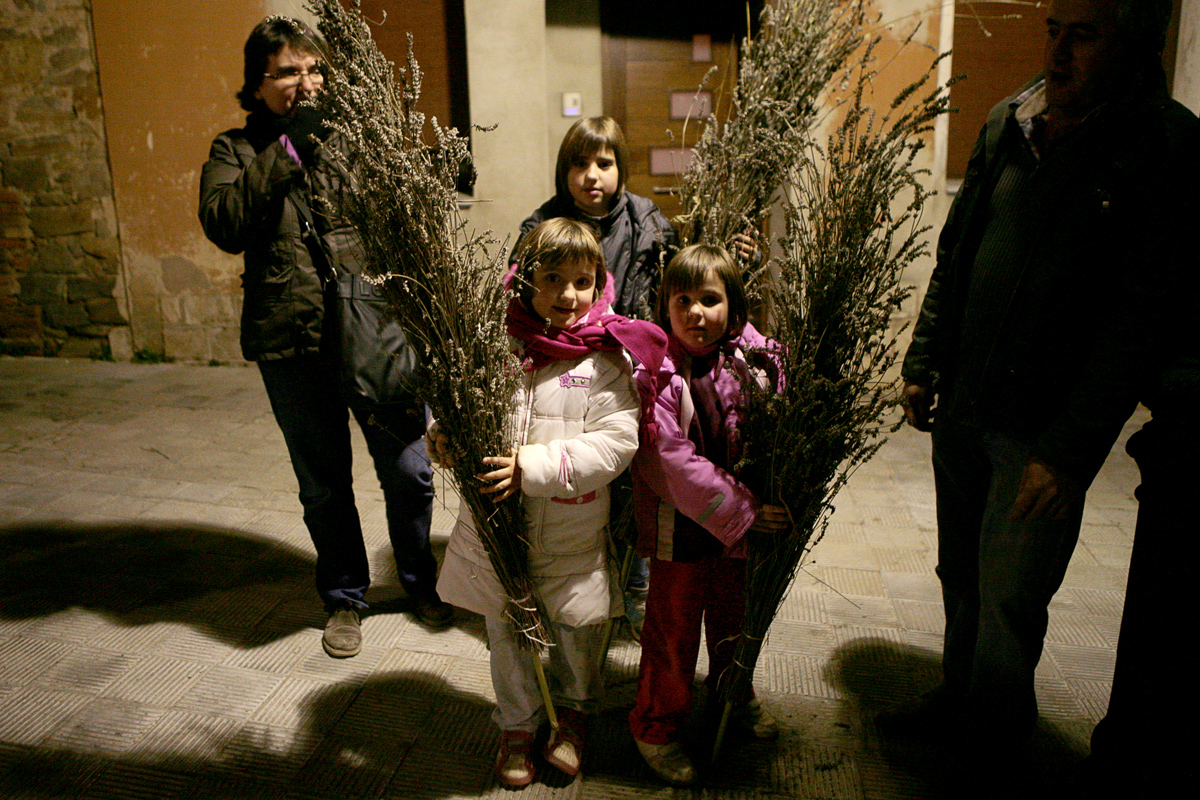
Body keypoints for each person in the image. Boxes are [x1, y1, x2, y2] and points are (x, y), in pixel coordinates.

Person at [887, 0, 1195, 764]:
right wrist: (925, 358)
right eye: (1053, 30)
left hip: (1039, 429)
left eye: (1083, 35)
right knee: (960, 571)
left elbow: (1139, 320)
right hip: (966, 402)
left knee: (1009, 593)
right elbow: (957, 254)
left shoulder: (1161, 147)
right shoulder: (1010, 120)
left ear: (1134, 43)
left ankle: (992, 738)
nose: (1057, 53)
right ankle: (958, 697)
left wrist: (1067, 452)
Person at [198, 17, 453, 659]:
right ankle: (344, 597)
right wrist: (288, 150)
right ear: (258, 84)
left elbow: (404, 223)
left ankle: (421, 580)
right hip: (293, 342)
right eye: (288, 71)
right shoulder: (235, 150)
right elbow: (225, 222)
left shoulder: (356, 141)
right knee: (323, 484)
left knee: (410, 472)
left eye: (314, 69)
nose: (306, 81)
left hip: (373, 332)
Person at [429, 218, 664, 787]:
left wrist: (530, 468)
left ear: (599, 283)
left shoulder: (606, 359)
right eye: (552, 278)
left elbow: (614, 444)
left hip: (570, 535)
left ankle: (574, 716)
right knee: (507, 636)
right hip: (498, 529)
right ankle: (517, 724)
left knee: (577, 633)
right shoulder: (496, 346)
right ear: (524, 281)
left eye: (582, 281)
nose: (567, 294)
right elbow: (458, 403)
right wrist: (443, 436)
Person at [628, 244, 788, 786]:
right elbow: (666, 459)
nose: (696, 312)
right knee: (672, 632)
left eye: (711, 300)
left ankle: (730, 696)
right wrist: (744, 510)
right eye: (683, 300)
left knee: (732, 621)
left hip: (736, 535)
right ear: (665, 307)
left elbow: (779, 384)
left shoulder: (746, 361)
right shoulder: (659, 373)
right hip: (681, 532)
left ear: (734, 308)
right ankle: (657, 725)